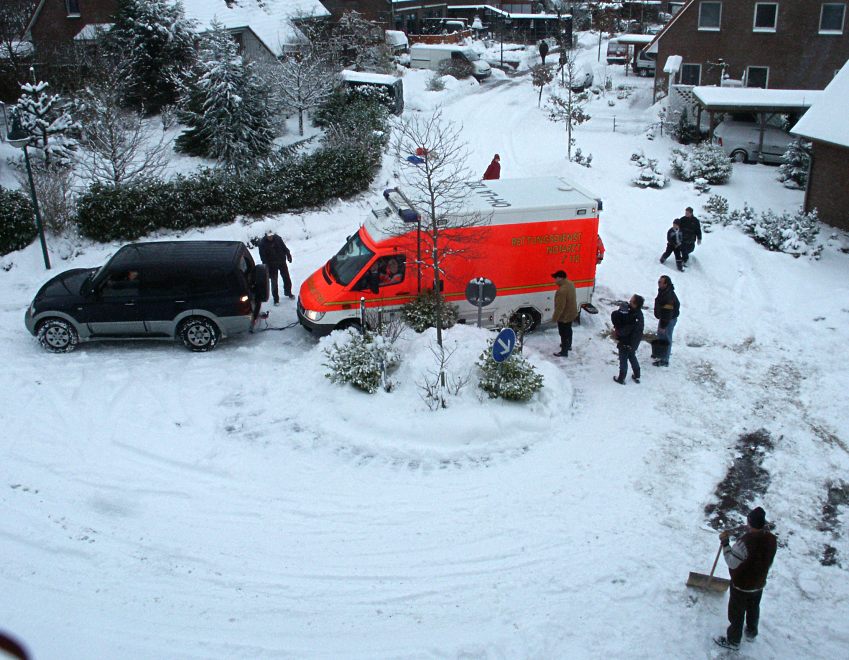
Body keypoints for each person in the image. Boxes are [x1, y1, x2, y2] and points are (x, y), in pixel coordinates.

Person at [714, 507, 778, 650]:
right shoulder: (771, 539)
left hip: (742, 585)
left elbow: (732, 562)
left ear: (749, 522)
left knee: (737, 613)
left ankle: (734, 641)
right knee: (753, 608)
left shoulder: (744, 543)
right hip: (759, 584)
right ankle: (751, 632)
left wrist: (725, 543)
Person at [611, 294, 644, 384]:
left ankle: (621, 378)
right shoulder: (638, 314)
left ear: (635, 304)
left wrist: (617, 332)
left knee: (623, 359)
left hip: (627, 342)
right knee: (632, 356)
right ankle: (637, 375)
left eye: (631, 302)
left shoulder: (634, 317)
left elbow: (625, 331)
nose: (629, 303)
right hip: (634, 343)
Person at [258, 229, 293, 305]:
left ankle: (288, 292)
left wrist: (288, 254)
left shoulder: (278, 238)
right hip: (272, 265)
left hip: (281, 262)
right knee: (274, 282)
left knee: (286, 278)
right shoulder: (262, 244)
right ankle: (276, 299)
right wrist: (267, 267)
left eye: (271, 235)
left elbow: (284, 248)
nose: (271, 237)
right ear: (266, 235)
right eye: (269, 236)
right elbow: (263, 257)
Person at [653, 275, 679, 367]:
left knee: (666, 338)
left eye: (660, 282)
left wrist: (663, 326)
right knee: (661, 335)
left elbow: (668, 312)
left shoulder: (668, 296)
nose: (658, 283)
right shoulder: (664, 291)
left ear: (666, 284)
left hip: (668, 319)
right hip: (665, 318)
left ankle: (665, 360)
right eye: (658, 281)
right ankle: (660, 353)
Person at [551, 270, 579, 357]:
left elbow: (560, 307)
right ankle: (568, 345)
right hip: (572, 312)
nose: (555, 280)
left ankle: (564, 351)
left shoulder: (562, 290)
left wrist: (555, 318)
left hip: (565, 315)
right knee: (568, 330)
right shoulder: (570, 284)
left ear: (560, 278)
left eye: (555, 278)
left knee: (563, 333)